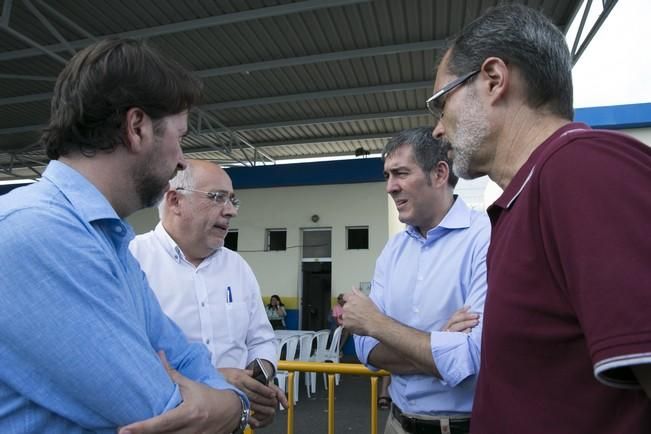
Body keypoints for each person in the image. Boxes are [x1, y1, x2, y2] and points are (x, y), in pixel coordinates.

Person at [0, 38, 249, 433]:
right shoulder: (36, 234)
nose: (182, 159)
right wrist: (233, 407)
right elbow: (159, 411)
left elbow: (184, 358)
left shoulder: (110, 241)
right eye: (179, 137)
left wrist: (233, 406)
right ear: (136, 128)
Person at [430, 4, 651, 433]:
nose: (438, 129)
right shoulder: (528, 197)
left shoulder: (582, 169)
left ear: (493, 80)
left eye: (441, 103)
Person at [344, 127, 490, 434]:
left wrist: (377, 323)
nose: (389, 187)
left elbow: (468, 358)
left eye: (400, 173)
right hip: (397, 423)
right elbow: (367, 350)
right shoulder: (392, 251)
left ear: (439, 174)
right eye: (386, 176)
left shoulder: (484, 237)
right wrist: (437, 342)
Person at [130, 159, 287, 428]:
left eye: (233, 201)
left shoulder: (238, 268)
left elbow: (261, 339)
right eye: (217, 198)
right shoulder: (132, 261)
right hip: (163, 424)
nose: (231, 211)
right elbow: (127, 359)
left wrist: (258, 380)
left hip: (232, 423)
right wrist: (214, 378)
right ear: (175, 201)